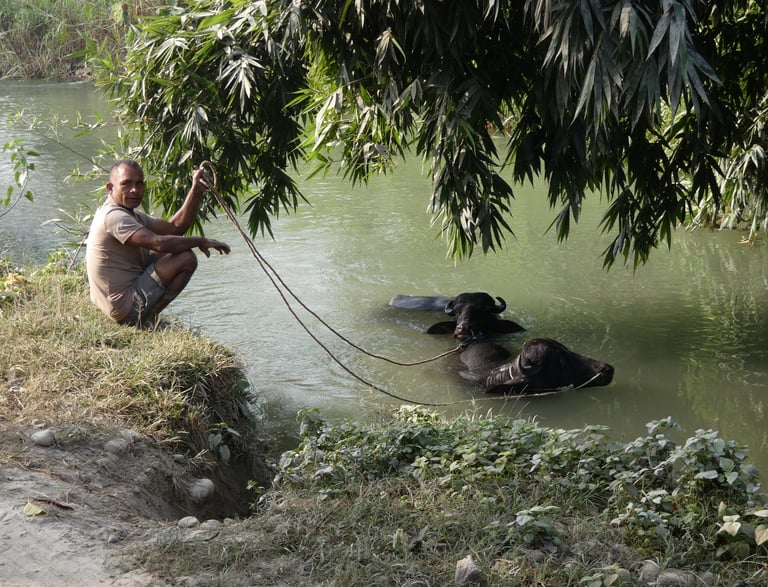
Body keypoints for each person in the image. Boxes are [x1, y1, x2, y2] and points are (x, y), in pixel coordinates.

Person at [86, 159, 230, 328]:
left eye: (139, 184)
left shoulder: (130, 214)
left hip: (116, 301)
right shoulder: (114, 217)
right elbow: (159, 243)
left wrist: (196, 191)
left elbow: (174, 228)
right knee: (186, 258)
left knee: (172, 251)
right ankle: (147, 318)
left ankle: (147, 316)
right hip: (123, 308)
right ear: (110, 188)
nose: (134, 190)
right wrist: (202, 241)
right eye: (126, 184)